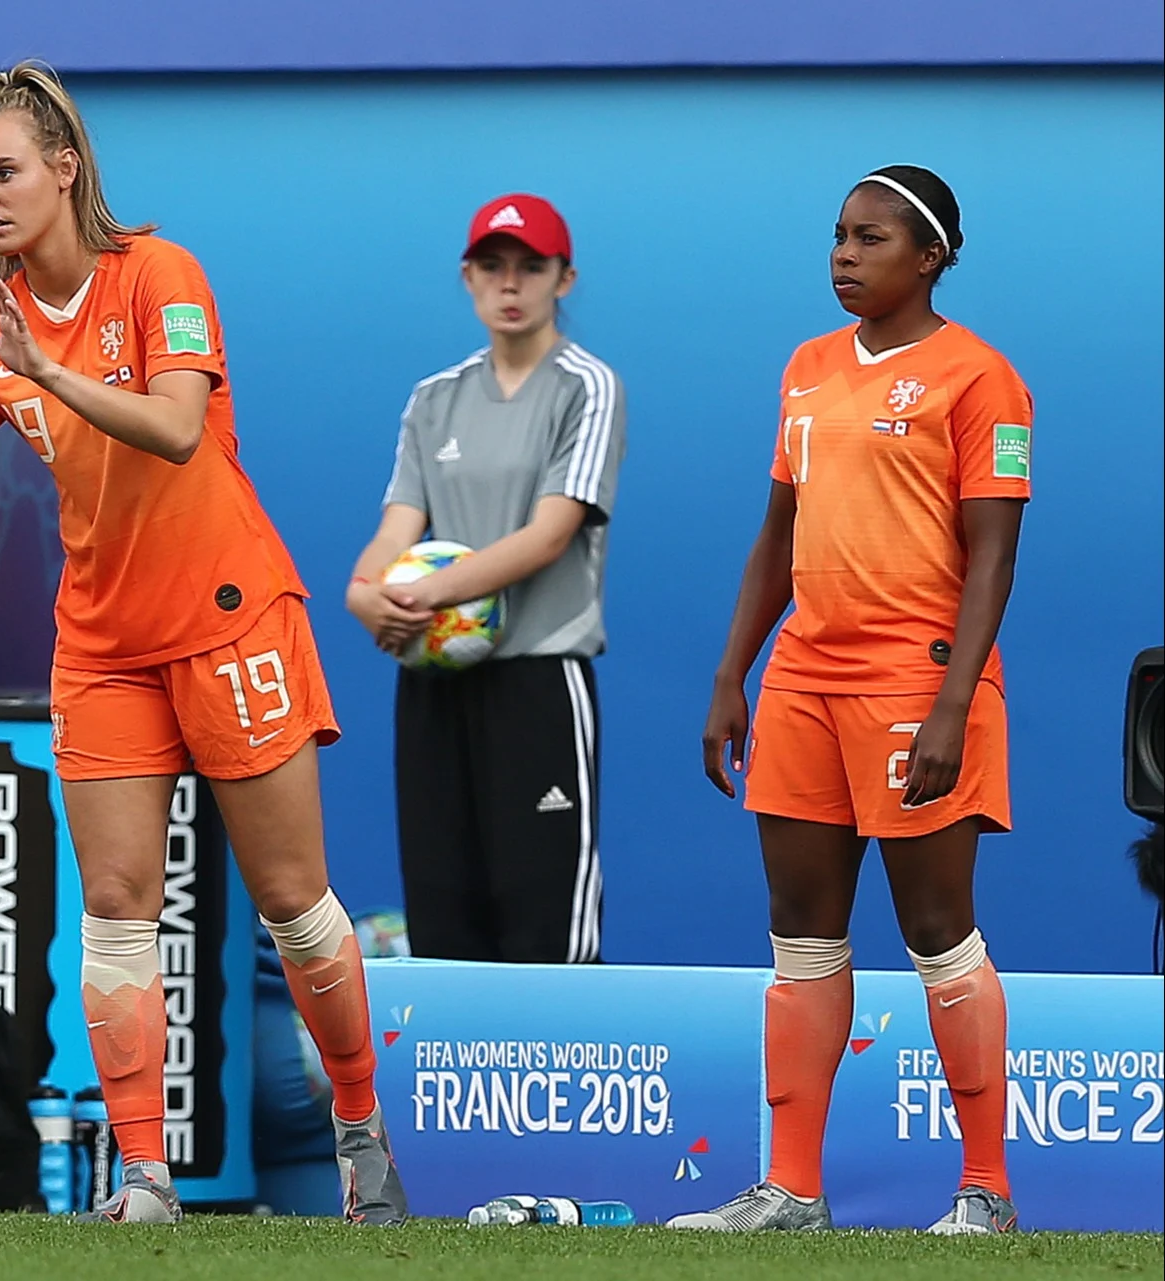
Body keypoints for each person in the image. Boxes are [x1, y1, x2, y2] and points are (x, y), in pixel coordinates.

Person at [0, 61, 404, 1226]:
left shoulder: (157, 273)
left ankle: (358, 1129)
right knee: (117, 909)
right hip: (104, 644)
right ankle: (142, 1179)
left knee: (293, 902)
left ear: (65, 169)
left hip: (230, 620)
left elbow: (179, 428)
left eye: (4, 170)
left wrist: (53, 372)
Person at [676, 165, 1029, 1235]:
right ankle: (788, 1189)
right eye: (835, 236)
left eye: (868, 238)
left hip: (913, 685)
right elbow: (776, 536)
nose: (841, 254)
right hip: (801, 685)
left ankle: (983, 1191)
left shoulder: (981, 380)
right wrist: (731, 674)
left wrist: (949, 705)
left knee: (934, 930)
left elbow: (992, 556)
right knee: (799, 936)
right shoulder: (806, 368)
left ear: (929, 257)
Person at [344, 194, 626, 965]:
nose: (511, 284)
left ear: (563, 279)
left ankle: (565, 1078)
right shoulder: (434, 400)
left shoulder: (586, 386)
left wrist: (421, 594)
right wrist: (364, 597)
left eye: (530, 267)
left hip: (536, 679)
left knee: (545, 926)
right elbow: (393, 535)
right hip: (434, 682)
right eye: (493, 267)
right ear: (467, 278)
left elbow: (547, 534)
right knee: (442, 922)